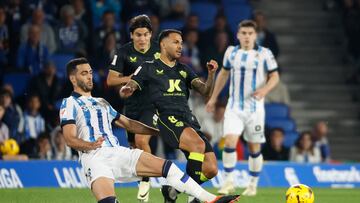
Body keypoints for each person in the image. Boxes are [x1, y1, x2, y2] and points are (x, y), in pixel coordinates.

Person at [61, 57, 240, 203]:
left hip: (116, 152)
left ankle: (211, 200)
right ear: (73, 78)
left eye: (91, 73)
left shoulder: (102, 102)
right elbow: (69, 138)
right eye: (84, 74)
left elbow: (129, 124)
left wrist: (157, 131)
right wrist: (90, 144)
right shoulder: (69, 103)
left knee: (168, 168)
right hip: (94, 158)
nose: (90, 77)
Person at [121, 29, 220, 203]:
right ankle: (194, 198)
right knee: (197, 145)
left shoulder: (183, 70)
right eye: (175, 42)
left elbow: (206, 91)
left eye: (181, 43)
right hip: (167, 118)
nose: (180, 46)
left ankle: (172, 190)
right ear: (163, 44)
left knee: (211, 169)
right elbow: (131, 85)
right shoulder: (148, 67)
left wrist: (211, 75)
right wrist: (127, 89)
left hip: (188, 120)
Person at [206, 20, 280, 196]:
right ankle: (228, 182)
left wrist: (264, 90)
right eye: (244, 33)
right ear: (238, 35)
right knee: (230, 142)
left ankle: (252, 184)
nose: (247, 37)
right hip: (234, 107)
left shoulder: (264, 53)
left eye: (250, 33)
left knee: (254, 148)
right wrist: (213, 98)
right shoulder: (231, 52)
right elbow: (223, 74)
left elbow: (275, 76)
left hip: (255, 109)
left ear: (255, 35)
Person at [106, 14, 160, 202]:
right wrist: (132, 78)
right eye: (138, 35)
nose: (142, 39)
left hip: (153, 104)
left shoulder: (159, 51)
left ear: (151, 34)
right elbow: (111, 80)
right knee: (133, 147)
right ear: (132, 35)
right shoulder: (123, 52)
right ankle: (143, 186)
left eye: (145, 34)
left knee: (141, 139)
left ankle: (146, 180)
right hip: (132, 105)